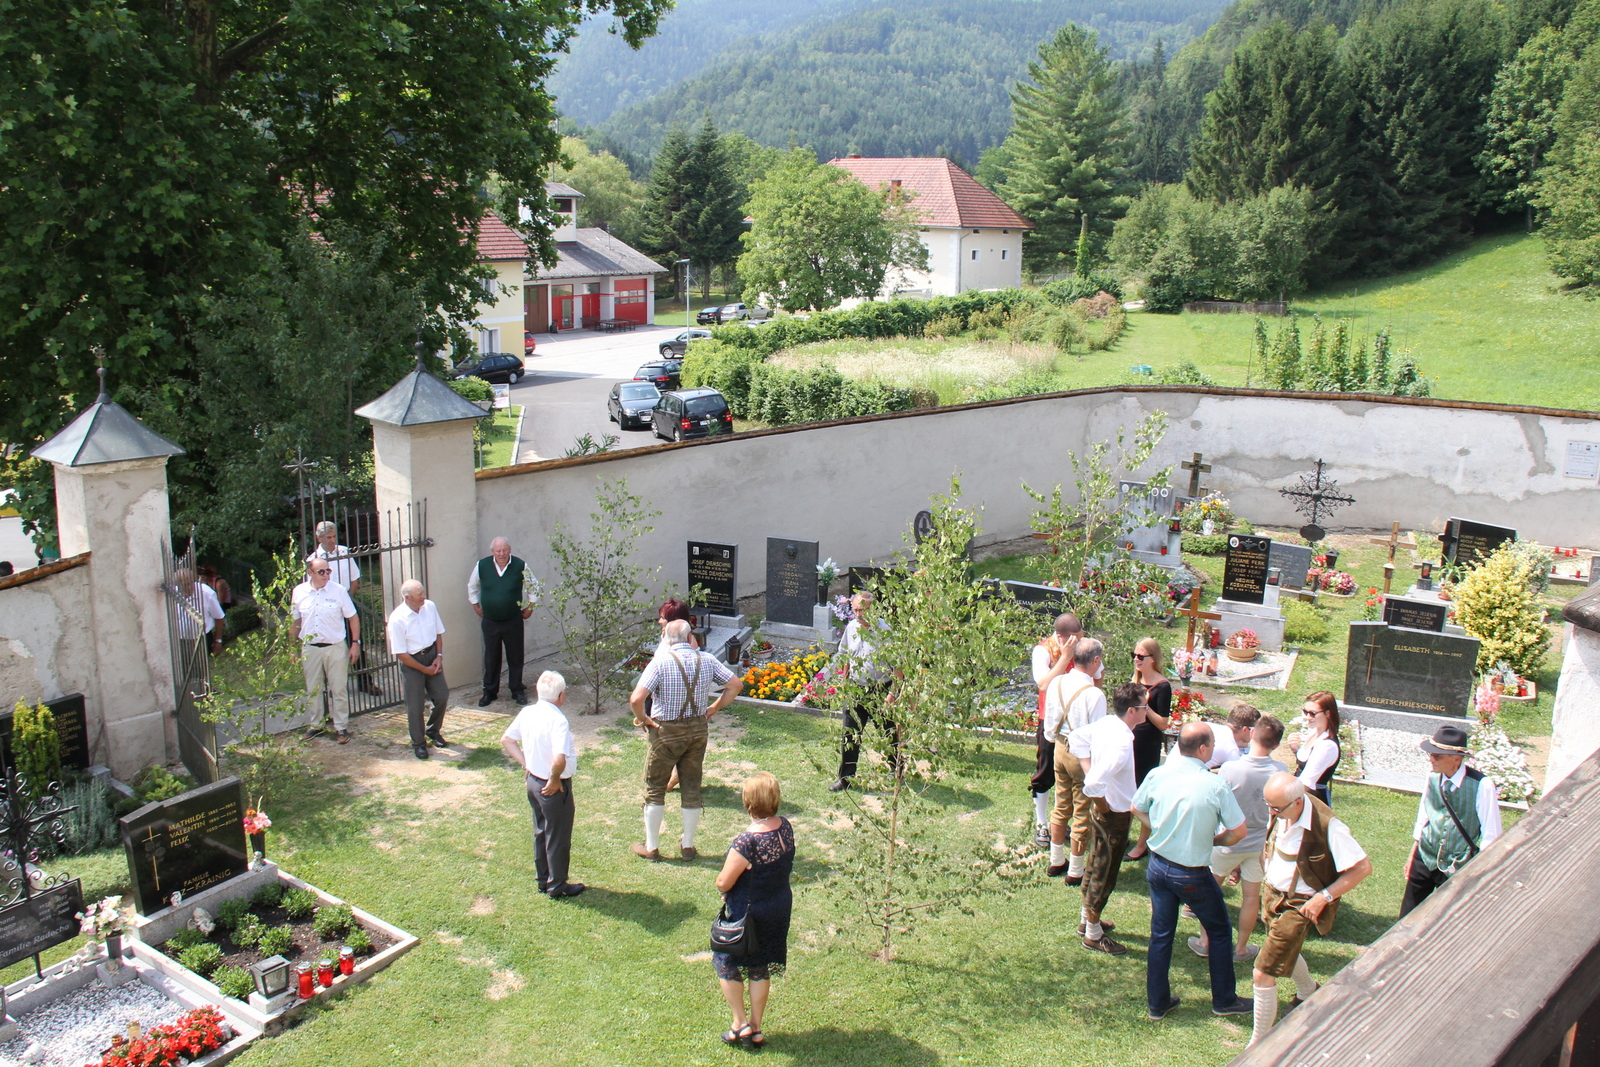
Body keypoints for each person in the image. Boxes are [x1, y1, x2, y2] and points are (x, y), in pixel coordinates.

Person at [1133, 721, 1253, 1020]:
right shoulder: (1214, 785)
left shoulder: (1157, 774)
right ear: (1202, 749)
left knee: (1161, 935)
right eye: (1212, 745)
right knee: (1220, 930)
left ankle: (1157, 1003)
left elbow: (1136, 808)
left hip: (1158, 867)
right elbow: (1239, 831)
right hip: (1192, 874)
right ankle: (1224, 1000)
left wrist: (1159, 828)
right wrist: (1213, 840)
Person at [1250, 772, 1373, 1045]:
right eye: (1268, 805)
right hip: (1272, 895)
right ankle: (1308, 990)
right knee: (1283, 950)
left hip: (1299, 904)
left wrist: (1323, 897)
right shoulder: (1283, 807)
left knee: (1262, 972)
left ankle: (1257, 1045)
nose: (1271, 813)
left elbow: (1363, 868)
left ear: (1297, 802)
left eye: (1276, 808)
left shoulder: (1329, 826)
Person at [629, 619, 743, 861]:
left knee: (655, 788)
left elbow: (636, 699)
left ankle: (652, 847)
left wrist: (643, 719)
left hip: (665, 732)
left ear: (666, 639)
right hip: (697, 730)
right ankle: (688, 846)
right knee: (691, 787)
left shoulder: (660, 662)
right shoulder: (707, 660)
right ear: (690, 637)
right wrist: (714, 708)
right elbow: (735, 685)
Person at [1191, 713, 1287, 962]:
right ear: (1276, 745)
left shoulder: (1231, 768)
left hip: (1227, 840)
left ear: (1252, 733)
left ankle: (1205, 941)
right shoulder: (1281, 771)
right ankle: (1241, 948)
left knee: (1211, 892)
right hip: (1258, 845)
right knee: (1251, 897)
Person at [713, 771, 794, 1049]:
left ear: (748, 801)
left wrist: (724, 889)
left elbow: (723, 881)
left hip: (748, 914)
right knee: (760, 966)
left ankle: (740, 1023)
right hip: (778, 907)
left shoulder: (746, 842)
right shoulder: (785, 827)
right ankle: (756, 1028)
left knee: (726, 962)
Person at [1071, 682, 1148, 955]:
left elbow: (1076, 738)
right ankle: (1093, 934)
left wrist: (1089, 769)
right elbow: (1093, 785)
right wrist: (1103, 806)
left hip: (1108, 811)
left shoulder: (1106, 723)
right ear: (1132, 711)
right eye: (1144, 707)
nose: (1147, 711)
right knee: (1105, 873)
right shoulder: (1122, 743)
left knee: (1094, 864)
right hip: (1114, 814)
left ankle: (1087, 920)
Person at [1399, 723, 1502, 917]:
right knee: (1407, 915)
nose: (1431, 759)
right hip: (1425, 856)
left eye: (1437, 755)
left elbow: (1492, 835)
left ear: (1457, 758)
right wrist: (1413, 855)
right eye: (1430, 754)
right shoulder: (1431, 778)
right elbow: (1424, 817)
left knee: (1448, 918)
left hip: (1457, 864)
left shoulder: (1482, 785)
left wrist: (1482, 871)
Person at [500, 671, 585, 898]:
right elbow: (559, 759)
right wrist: (555, 779)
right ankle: (557, 886)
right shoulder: (558, 720)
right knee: (558, 837)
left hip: (534, 782)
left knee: (541, 831)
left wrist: (527, 765)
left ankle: (543, 879)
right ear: (560, 695)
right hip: (553, 787)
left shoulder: (528, 712)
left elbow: (507, 740)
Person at [1045, 638, 1106, 883]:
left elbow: (1050, 720)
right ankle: (1076, 870)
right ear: (1095, 660)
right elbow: (1097, 735)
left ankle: (1056, 859)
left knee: (1061, 805)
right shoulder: (1094, 694)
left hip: (1060, 747)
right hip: (1082, 755)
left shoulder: (1057, 681)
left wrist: (1055, 740)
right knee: (1082, 811)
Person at [829, 591, 897, 792]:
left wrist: (892, 694)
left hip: (880, 689)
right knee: (849, 734)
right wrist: (845, 682)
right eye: (855, 610)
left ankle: (897, 769)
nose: (858, 614)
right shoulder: (851, 627)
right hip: (855, 689)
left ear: (873, 609)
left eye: (862, 610)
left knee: (888, 732)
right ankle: (846, 778)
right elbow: (846, 656)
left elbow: (898, 666)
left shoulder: (885, 631)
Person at [289, 556, 361, 743]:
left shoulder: (338, 591)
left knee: (338, 688)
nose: (326, 575)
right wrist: (291, 648)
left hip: (335, 646)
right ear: (310, 573)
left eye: (328, 571)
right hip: (310, 647)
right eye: (321, 571)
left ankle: (341, 727)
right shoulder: (299, 592)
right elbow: (295, 621)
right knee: (313, 688)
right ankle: (316, 725)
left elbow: (353, 617)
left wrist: (355, 643)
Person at [1029, 614, 1082, 845]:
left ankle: (1060, 821)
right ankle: (1041, 823)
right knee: (1045, 770)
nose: (1078, 643)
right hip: (1050, 719)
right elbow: (1043, 684)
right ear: (1061, 637)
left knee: (1071, 771)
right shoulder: (1043, 650)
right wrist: (1065, 657)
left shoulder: (1081, 645)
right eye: (1074, 640)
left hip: (1076, 720)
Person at [386, 579, 449, 761]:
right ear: (408, 597)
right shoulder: (397, 619)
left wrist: (439, 656)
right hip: (412, 662)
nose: (424, 597)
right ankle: (419, 743)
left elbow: (438, 633)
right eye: (419, 594)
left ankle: (433, 730)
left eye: (423, 592)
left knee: (442, 696)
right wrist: (423, 669)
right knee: (415, 706)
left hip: (431, 655)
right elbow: (401, 653)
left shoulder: (430, 607)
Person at [468, 537, 535, 707]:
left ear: (509, 550)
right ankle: (489, 692)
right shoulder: (482, 566)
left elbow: (534, 587)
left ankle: (517, 690)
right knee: (491, 658)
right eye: (498, 551)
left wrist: (530, 607)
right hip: (490, 621)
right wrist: (475, 605)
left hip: (513, 620)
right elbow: (472, 586)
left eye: (504, 550)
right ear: (493, 552)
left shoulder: (520, 565)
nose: (502, 554)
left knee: (515, 656)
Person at [313, 521, 378, 696]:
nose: (332, 540)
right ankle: (330, 686)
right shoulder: (313, 560)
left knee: (356, 644)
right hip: (327, 611)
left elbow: (354, 579)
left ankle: (365, 681)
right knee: (329, 648)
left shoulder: (344, 552)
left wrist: (347, 601)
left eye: (334, 536)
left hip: (346, 605)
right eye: (328, 537)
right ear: (319, 538)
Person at [1124, 636, 1172, 861]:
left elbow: (1163, 723)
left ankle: (1142, 844)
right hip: (1129, 742)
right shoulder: (1134, 681)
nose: (1136, 659)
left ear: (1153, 659)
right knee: (1125, 790)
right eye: (1134, 655)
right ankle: (1122, 834)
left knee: (1144, 795)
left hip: (1147, 746)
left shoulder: (1163, 686)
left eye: (1141, 656)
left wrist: (1145, 705)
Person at [1288, 692, 1342, 806]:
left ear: (1328, 713)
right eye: (1306, 712)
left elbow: (1306, 783)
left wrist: (1284, 799)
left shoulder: (1326, 746)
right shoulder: (1315, 732)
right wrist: (1296, 750)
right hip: (1300, 796)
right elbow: (1308, 763)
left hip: (1311, 801)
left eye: (1313, 713)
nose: (1308, 717)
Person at [175, 567, 226, 657]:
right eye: (184, 585)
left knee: (201, 664)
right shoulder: (173, 594)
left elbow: (219, 617)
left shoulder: (206, 593)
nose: (188, 587)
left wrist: (218, 641)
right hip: (179, 640)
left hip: (202, 638)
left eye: (189, 583)